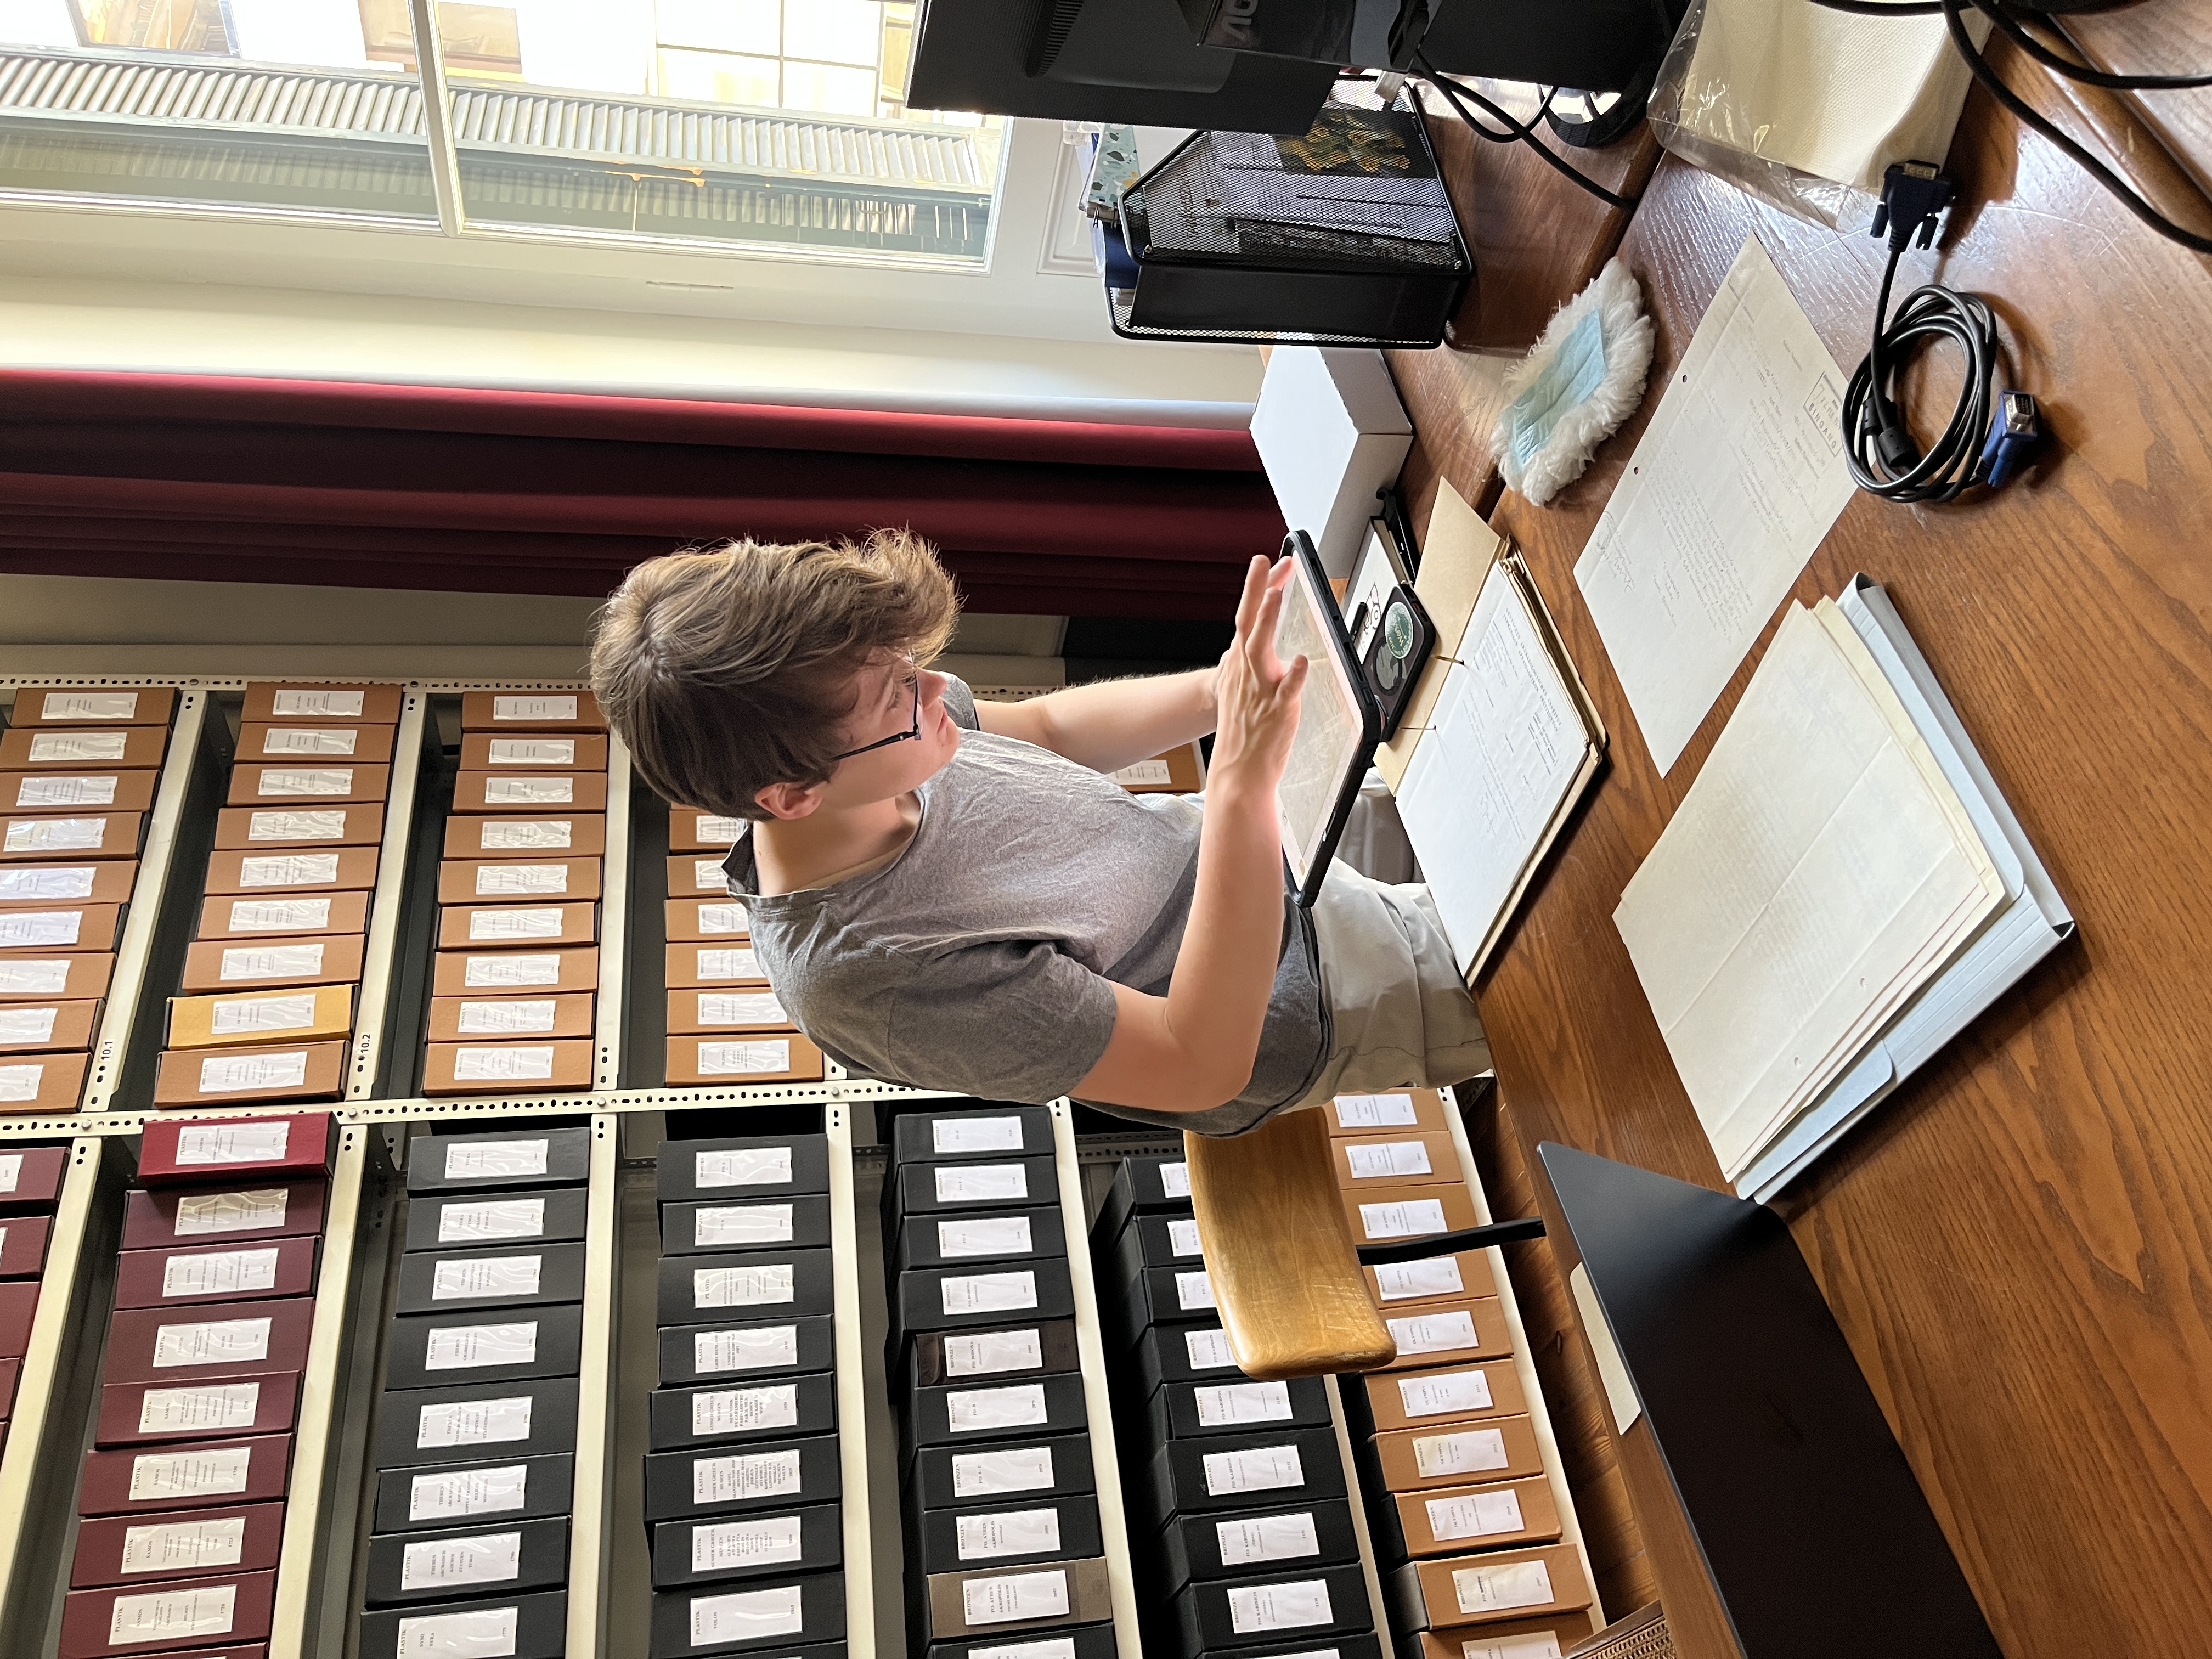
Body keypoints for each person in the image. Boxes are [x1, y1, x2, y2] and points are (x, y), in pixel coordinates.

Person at [590, 530, 1487, 1136]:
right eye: (900, 696)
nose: (937, 692)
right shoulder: (869, 978)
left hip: (1263, 845)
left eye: (911, 665)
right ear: (792, 796)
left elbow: (1052, 730)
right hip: (1301, 989)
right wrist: (1240, 784)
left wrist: (1231, 689)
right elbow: (1199, 1063)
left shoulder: (881, 736)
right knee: (1556, 943)